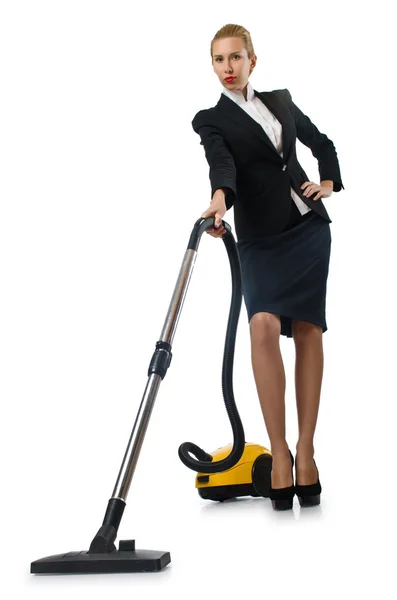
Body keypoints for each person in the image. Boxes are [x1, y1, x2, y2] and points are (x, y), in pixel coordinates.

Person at [191, 24, 344, 510]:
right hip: (259, 237)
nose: (228, 68)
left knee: (307, 330)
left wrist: (328, 182)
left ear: (252, 60)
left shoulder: (280, 100)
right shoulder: (211, 120)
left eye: (235, 58)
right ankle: (278, 454)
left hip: (306, 230)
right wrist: (220, 200)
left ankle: (306, 451)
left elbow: (323, 142)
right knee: (261, 326)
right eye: (219, 60)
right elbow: (223, 167)